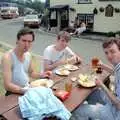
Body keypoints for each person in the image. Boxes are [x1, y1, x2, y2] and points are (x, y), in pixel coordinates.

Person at [70, 38, 120, 120]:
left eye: (112, 51)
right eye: (106, 53)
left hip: (115, 113)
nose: (109, 56)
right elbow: (115, 72)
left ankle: (91, 115)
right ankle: (91, 117)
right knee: (92, 93)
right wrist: (103, 65)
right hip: (114, 100)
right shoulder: (118, 66)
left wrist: (102, 85)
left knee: (75, 109)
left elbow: (119, 105)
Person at [2, 28, 50, 96]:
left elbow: (31, 73)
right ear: (17, 40)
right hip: (13, 94)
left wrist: (42, 75)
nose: (26, 44)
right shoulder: (7, 58)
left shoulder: (28, 55)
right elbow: (7, 85)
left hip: (26, 89)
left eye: (29, 41)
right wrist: (25, 91)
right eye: (24, 41)